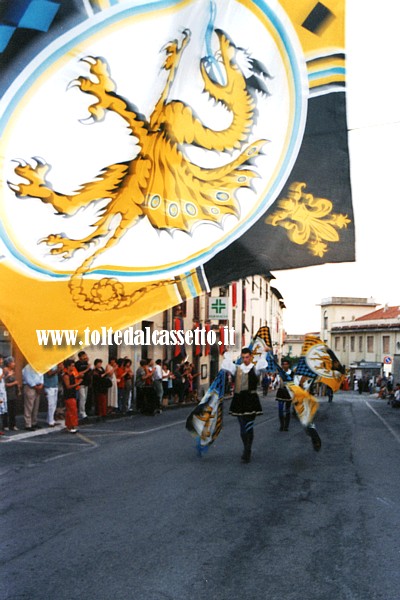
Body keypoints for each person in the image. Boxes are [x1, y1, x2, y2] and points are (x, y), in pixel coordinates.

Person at [222, 347, 267, 463]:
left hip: (251, 400)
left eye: (247, 357)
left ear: (251, 357)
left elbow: (263, 362)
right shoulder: (237, 368)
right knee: (242, 427)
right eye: (243, 357)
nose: (245, 359)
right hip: (239, 400)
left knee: (249, 426)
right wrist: (226, 353)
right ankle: (246, 447)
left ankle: (247, 450)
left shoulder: (255, 368)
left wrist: (265, 352)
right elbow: (227, 365)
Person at [22, 363, 44, 431]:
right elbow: (28, 379)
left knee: (36, 406)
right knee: (29, 406)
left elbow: (41, 375)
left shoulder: (39, 366)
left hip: (38, 386)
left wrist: (41, 385)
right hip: (30, 387)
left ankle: (34, 422)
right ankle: (28, 424)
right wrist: (35, 386)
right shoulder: (27, 368)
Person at [62, 359, 81, 433]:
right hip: (69, 395)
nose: (73, 367)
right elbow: (68, 386)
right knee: (73, 411)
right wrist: (77, 383)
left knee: (70, 411)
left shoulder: (71, 374)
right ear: (68, 366)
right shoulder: (65, 375)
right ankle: (72, 426)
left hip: (72, 394)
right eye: (72, 366)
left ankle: (69, 426)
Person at [275, 360, 293, 432]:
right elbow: (277, 381)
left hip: (288, 392)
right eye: (283, 364)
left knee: (287, 410)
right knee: (280, 410)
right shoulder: (280, 373)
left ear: (288, 365)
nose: (284, 366)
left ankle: (286, 426)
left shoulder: (292, 373)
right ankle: (282, 425)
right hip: (281, 392)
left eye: (286, 364)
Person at [4, 356, 20, 431]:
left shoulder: (12, 371)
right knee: (8, 409)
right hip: (8, 393)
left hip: (13, 393)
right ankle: (6, 425)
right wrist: (14, 383)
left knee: (13, 409)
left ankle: (13, 424)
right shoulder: (5, 371)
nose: (14, 364)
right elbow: (5, 384)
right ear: (9, 363)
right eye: (12, 362)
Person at [75, 351, 92, 420]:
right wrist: (87, 369)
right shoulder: (78, 364)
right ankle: (82, 412)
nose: (85, 357)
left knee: (84, 398)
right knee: (82, 397)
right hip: (80, 383)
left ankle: (83, 411)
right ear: (80, 357)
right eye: (84, 356)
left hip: (86, 382)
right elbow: (78, 373)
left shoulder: (86, 363)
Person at [0, 355, 8, 433]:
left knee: (2, 411)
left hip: (2, 391)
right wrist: (3, 373)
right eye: (1, 359)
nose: (2, 361)